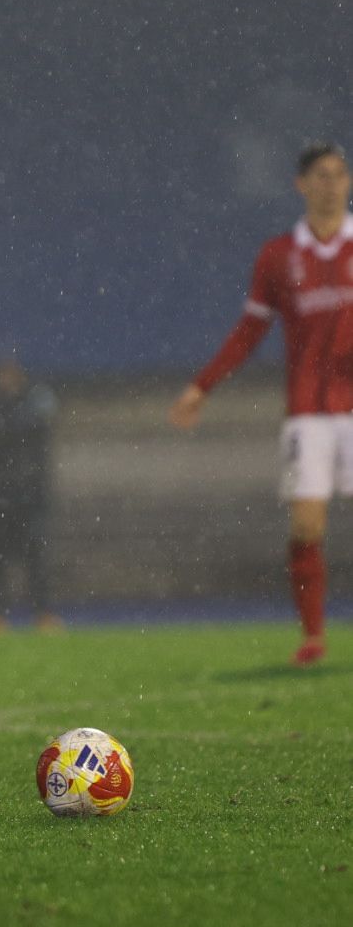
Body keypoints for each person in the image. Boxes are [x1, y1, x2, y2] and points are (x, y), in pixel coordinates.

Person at [169, 141, 353, 668]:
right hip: (309, 414)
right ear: (301, 184)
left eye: (340, 175)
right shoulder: (279, 256)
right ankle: (313, 637)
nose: (332, 184)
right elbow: (250, 330)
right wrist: (201, 386)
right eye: (321, 175)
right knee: (307, 527)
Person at [0, 355, 60, 634]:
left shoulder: (32, 404)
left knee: (36, 559)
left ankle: (42, 614)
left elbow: (36, 429)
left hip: (28, 497)